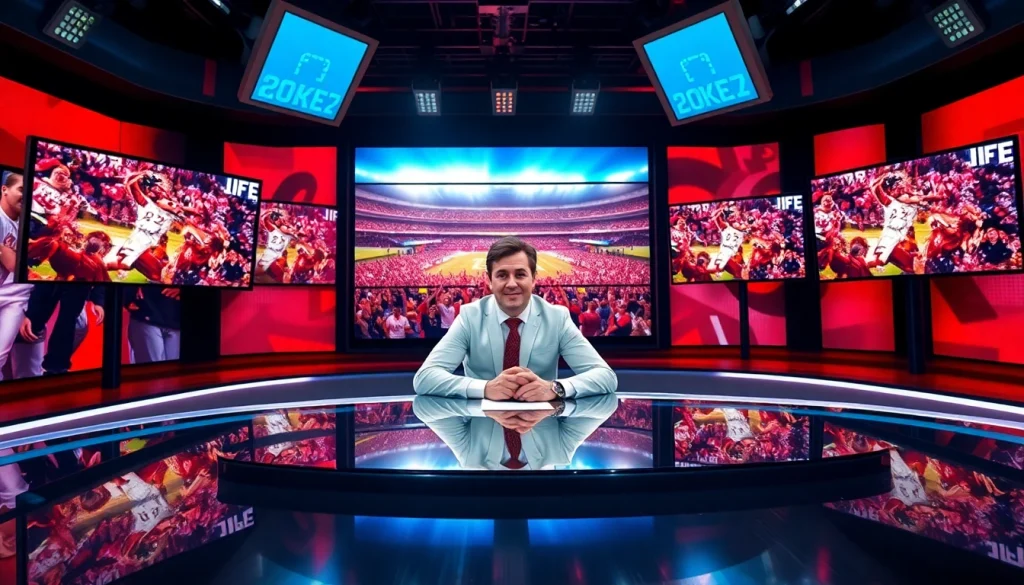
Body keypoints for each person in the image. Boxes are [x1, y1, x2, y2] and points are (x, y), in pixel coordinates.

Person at [413, 236, 617, 400]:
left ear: (534, 279)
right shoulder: (470, 316)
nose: (511, 283)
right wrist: (485, 388)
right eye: (502, 275)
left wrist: (555, 388)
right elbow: (425, 378)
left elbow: (606, 377)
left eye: (520, 274)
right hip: (481, 435)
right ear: (490, 281)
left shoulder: (556, 317)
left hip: (542, 436)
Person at [413, 393, 619, 470]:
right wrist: (553, 399)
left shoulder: (470, 456)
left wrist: (484, 405)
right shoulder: (559, 452)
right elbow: (606, 406)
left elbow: (424, 409)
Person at [0, 170, 32, 379]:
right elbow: (12, 263)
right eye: (21, 189)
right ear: (4, 190)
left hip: (18, 295)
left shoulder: (28, 223)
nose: (25, 195)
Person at [125, 286, 181, 363]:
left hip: (177, 320)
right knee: (151, 370)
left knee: (174, 370)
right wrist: (128, 298)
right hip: (146, 314)